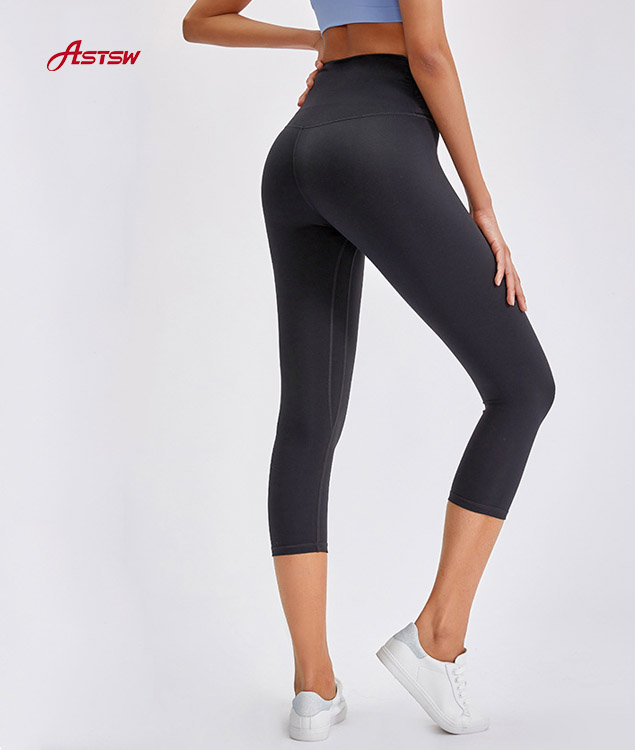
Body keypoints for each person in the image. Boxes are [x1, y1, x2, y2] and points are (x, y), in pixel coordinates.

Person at [183, 0, 556, 740]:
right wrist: (481, 204)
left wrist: (319, 40)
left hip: (295, 153)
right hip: (379, 141)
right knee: (522, 388)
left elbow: (201, 20)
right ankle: (437, 638)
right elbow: (429, 53)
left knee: (308, 418)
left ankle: (312, 689)